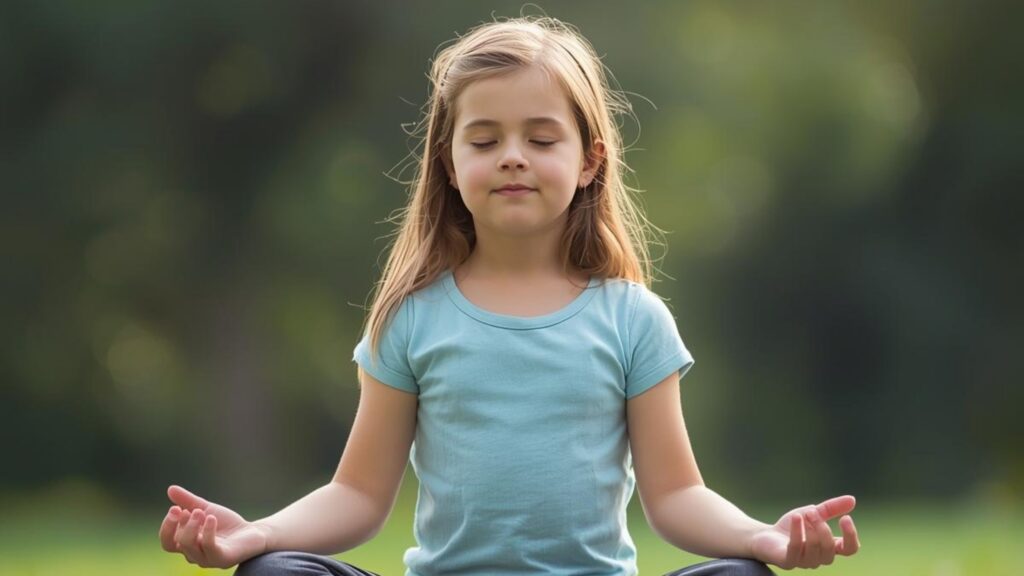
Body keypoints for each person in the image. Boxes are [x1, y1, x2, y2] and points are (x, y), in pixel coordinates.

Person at [158, 15, 861, 576]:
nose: (513, 156)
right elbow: (358, 496)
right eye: (486, 138)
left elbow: (676, 497)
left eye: (541, 137)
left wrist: (763, 539)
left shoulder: (633, 320)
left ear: (589, 161)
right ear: (450, 161)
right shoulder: (412, 317)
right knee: (274, 573)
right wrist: (254, 535)